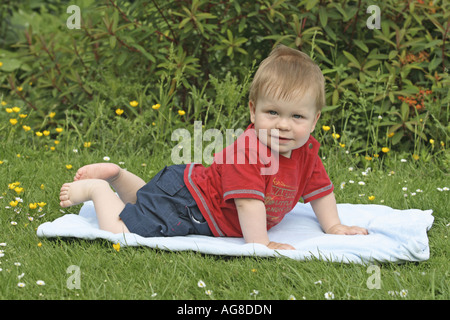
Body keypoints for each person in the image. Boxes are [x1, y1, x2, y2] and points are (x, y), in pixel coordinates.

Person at [59, 45, 368, 250]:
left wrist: (334, 225)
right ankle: (98, 190)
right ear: (252, 110)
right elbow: (248, 204)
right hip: (192, 206)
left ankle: (119, 177)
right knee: (125, 231)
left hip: (188, 188)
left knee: (145, 202)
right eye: (272, 112)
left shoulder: (307, 151)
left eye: (296, 116)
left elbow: (320, 190)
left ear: (314, 121)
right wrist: (261, 244)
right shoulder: (248, 153)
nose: (283, 125)